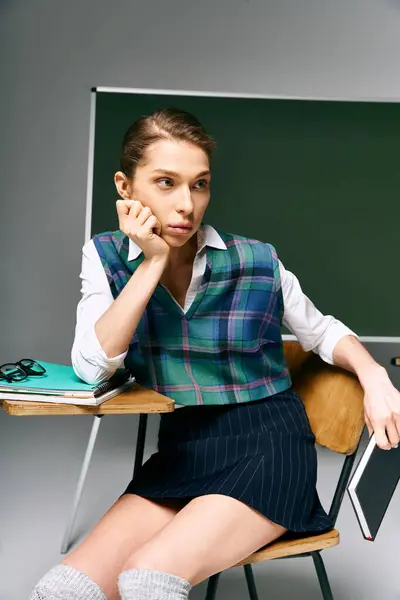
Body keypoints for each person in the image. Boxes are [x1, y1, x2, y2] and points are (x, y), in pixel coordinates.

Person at [31, 108, 400, 600]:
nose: (187, 204)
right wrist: (151, 264)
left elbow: (322, 331)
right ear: (125, 187)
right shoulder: (104, 257)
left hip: (269, 447)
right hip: (185, 449)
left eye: (199, 184)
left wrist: (375, 377)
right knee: (61, 591)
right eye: (166, 183)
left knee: (146, 579)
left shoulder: (257, 259)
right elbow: (94, 366)